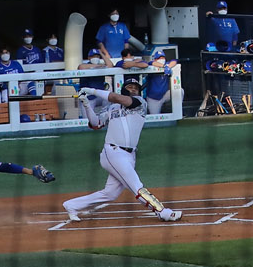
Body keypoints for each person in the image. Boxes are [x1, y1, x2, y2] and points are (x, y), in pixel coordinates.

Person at [61, 72, 183, 221]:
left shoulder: (140, 103)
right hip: (113, 152)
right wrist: (86, 104)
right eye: (129, 86)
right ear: (124, 88)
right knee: (136, 186)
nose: (133, 89)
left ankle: (72, 205)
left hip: (129, 155)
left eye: (135, 88)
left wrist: (93, 91)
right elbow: (95, 124)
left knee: (110, 194)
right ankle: (163, 212)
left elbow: (116, 97)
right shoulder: (111, 108)